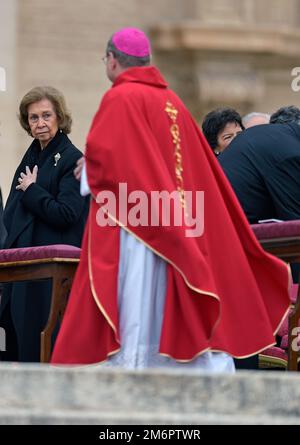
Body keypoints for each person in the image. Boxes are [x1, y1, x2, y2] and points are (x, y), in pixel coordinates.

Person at [51, 28, 290, 371]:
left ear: (113, 61)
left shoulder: (120, 98)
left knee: (137, 311)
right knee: (170, 309)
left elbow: (108, 161)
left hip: (137, 233)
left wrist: (88, 169)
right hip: (176, 234)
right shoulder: (173, 102)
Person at [0, 86, 89, 362]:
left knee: (42, 346)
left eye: (46, 116)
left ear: (59, 118)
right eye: (33, 118)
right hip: (24, 269)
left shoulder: (72, 158)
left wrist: (33, 191)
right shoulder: (31, 156)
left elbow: (67, 213)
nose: (40, 123)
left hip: (51, 273)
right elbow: (11, 214)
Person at [219, 105, 300, 224]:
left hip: (213, 219)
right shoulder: (291, 153)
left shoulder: (274, 136)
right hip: (227, 225)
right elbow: (296, 221)